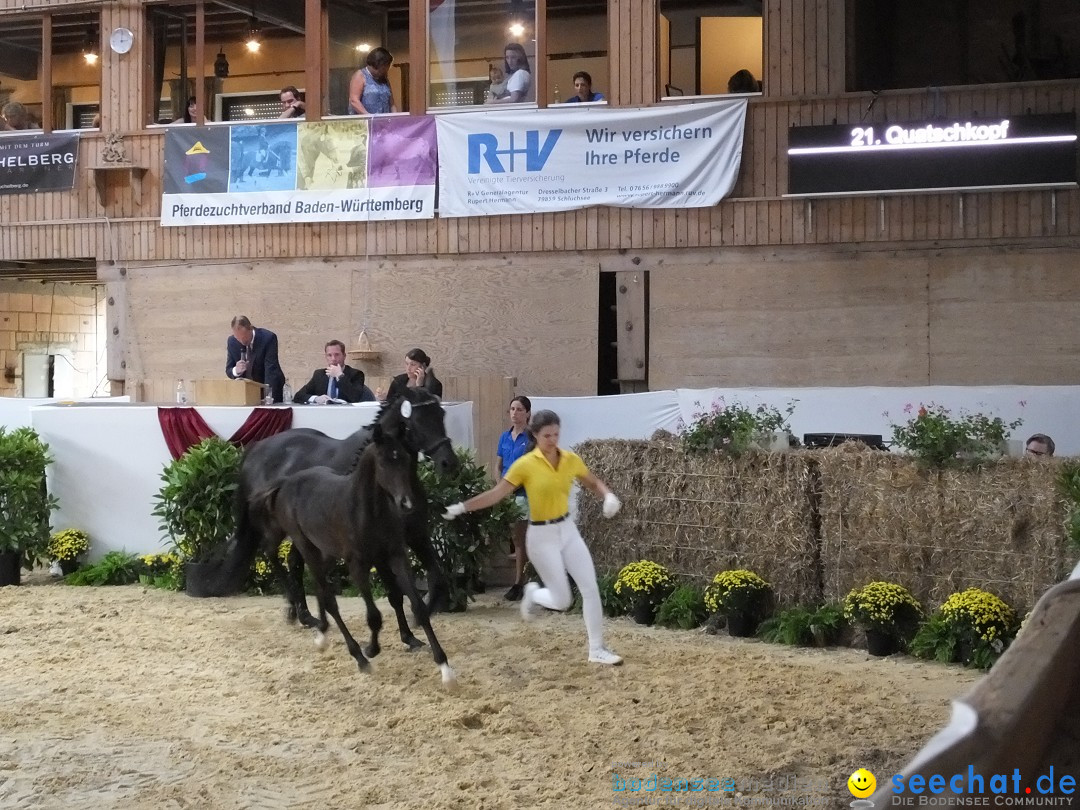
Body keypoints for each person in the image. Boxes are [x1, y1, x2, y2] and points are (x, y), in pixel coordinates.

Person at [443, 409, 624, 665]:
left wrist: (608, 496)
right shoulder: (525, 465)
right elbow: (497, 494)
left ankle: (596, 648)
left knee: (590, 587)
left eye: (556, 434)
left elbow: (593, 482)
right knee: (562, 601)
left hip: (567, 529)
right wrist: (463, 507)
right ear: (536, 436)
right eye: (547, 435)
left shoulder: (570, 459)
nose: (553, 440)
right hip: (541, 536)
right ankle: (533, 593)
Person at [497, 396, 532, 601]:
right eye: (512, 409)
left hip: (522, 493)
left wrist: (511, 487)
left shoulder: (531, 439)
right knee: (513, 538)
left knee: (519, 538)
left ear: (527, 413)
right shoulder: (504, 437)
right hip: (507, 491)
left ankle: (519, 581)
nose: (514, 413)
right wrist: (499, 485)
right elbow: (498, 464)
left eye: (519, 409)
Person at [225, 315, 286, 402]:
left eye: (244, 338)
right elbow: (229, 369)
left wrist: (268, 397)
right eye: (238, 338)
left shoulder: (267, 338)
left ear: (250, 328)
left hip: (268, 389)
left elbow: (271, 370)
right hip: (245, 394)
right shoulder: (232, 342)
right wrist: (236, 370)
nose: (241, 342)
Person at [293, 340, 375, 404]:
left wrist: (339, 376)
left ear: (344, 356)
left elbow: (355, 397)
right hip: (323, 415)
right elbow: (298, 396)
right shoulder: (319, 375)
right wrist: (316, 399)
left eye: (337, 355)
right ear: (326, 357)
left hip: (347, 415)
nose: (333, 359)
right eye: (329, 355)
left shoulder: (356, 374)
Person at [348, 47, 397, 115]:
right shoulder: (360, 76)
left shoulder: (384, 79)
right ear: (375, 65)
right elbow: (354, 101)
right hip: (366, 121)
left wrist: (395, 117)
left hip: (384, 121)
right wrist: (370, 117)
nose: (385, 71)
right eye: (382, 68)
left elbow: (391, 104)